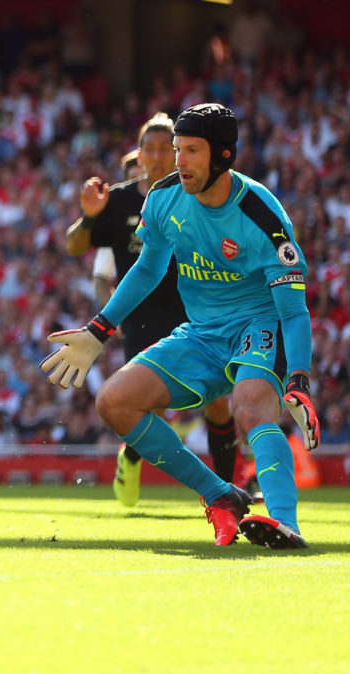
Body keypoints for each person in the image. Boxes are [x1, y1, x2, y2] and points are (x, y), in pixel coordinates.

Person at [43, 103, 319, 549]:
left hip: (258, 323)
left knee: (248, 409)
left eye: (191, 150)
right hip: (202, 332)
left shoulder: (262, 216)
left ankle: (285, 524)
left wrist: (300, 378)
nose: (178, 161)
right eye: (177, 149)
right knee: (114, 401)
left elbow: (293, 310)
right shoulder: (165, 197)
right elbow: (147, 270)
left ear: (223, 156)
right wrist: (98, 330)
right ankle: (219, 494)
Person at [64, 113, 242, 507]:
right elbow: (75, 245)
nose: (160, 156)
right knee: (150, 405)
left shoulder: (197, 194)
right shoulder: (121, 198)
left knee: (217, 399)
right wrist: (89, 217)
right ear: (139, 154)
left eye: (168, 148)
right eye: (152, 148)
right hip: (141, 315)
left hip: (194, 311)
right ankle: (131, 456)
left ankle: (228, 491)